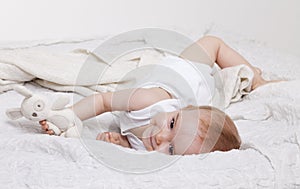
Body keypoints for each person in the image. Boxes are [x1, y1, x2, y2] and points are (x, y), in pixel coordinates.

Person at [40, 36, 272, 155]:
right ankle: (257, 78)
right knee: (212, 44)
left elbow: (139, 144)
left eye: (171, 148)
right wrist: (69, 116)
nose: (161, 137)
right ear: (176, 110)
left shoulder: (153, 150)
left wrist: (123, 142)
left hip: (198, 99)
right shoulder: (147, 101)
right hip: (186, 72)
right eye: (171, 123)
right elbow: (102, 101)